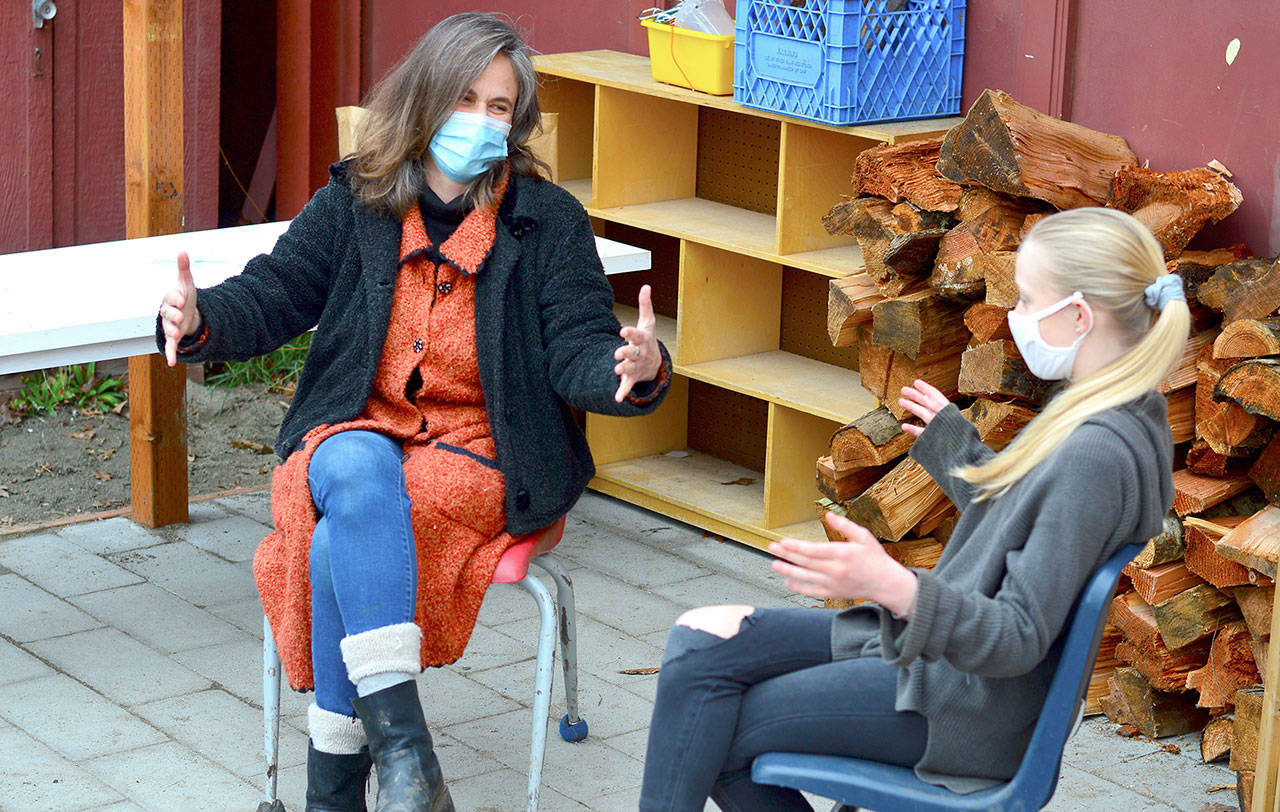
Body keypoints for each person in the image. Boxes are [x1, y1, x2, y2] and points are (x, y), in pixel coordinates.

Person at [157, 12, 671, 811]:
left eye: (500, 107)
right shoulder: (357, 199)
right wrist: (201, 319)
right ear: (426, 99)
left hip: (478, 451)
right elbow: (278, 289)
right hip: (353, 426)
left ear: (517, 123)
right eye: (466, 98)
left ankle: (339, 792)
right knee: (356, 469)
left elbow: (578, 344)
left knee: (338, 544)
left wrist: (630, 369)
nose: (481, 120)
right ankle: (406, 756)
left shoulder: (548, 222)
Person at [637, 206, 1190, 811]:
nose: (1015, 318)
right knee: (700, 640)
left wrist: (895, 586)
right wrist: (958, 450)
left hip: (959, 706)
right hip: (945, 672)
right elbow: (1030, 522)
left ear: (1080, 316)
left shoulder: (1096, 452)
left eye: (1029, 302)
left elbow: (1017, 636)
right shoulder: (1121, 412)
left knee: (710, 726)